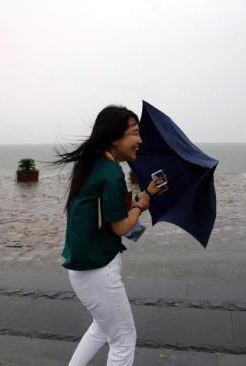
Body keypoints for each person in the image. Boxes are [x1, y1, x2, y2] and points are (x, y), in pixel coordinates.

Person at [53, 105, 167, 366]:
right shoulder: (111, 171)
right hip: (98, 271)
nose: (140, 140)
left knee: (102, 328)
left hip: (83, 269)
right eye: (135, 133)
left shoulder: (94, 164)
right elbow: (120, 228)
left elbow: (108, 217)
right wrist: (144, 200)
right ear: (115, 138)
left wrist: (141, 196)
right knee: (124, 338)